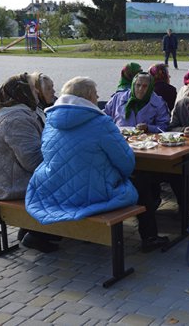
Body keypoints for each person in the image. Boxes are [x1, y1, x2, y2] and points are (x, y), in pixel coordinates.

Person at [25, 77, 138, 227]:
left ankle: (37, 234)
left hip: (53, 190)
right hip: (94, 193)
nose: (98, 97)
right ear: (88, 97)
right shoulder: (102, 123)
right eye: (96, 94)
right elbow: (127, 163)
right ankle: (149, 236)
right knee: (142, 182)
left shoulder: (51, 122)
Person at [0, 73, 56, 253]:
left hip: (3, 177)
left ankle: (32, 229)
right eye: (31, 88)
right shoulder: (16, 119)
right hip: (6, 184)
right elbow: (33, 162)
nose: (36, 92)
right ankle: (38, 234)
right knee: (65, 181)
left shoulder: (8, 111)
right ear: (22, 92)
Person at [104, 72, 170, 133]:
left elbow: (164, 127)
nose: (140, 89)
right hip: (119, 139)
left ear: (150, 87)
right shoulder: (118, 98)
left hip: (145, 142)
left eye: (145, 86)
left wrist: (148, 128)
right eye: (138, 85)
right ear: (133, 85)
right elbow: (103, 117)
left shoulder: (158, 103)